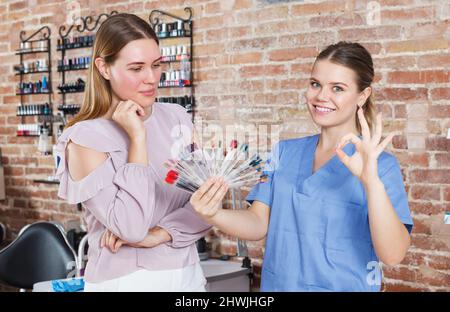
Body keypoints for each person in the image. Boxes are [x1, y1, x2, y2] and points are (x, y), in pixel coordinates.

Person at [190, 42, 413, 291]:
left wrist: (371, 183)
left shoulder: (381, 166)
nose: (321, 96)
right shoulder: (284, 152)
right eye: (315, 84)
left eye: (337, 88)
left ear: (362, 96)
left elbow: (393, 255)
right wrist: (211, 214)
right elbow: (257, 224)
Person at [55, 13, 210, 292]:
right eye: (136, 68)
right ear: (104, 68)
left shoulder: (176, 117)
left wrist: (160, 234)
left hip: (188, 275)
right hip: (125, 282)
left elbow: (208, 204)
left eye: (156, 65)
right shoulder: (84, 139)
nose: (151, 79)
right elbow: (132, 228)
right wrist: (137, 138)